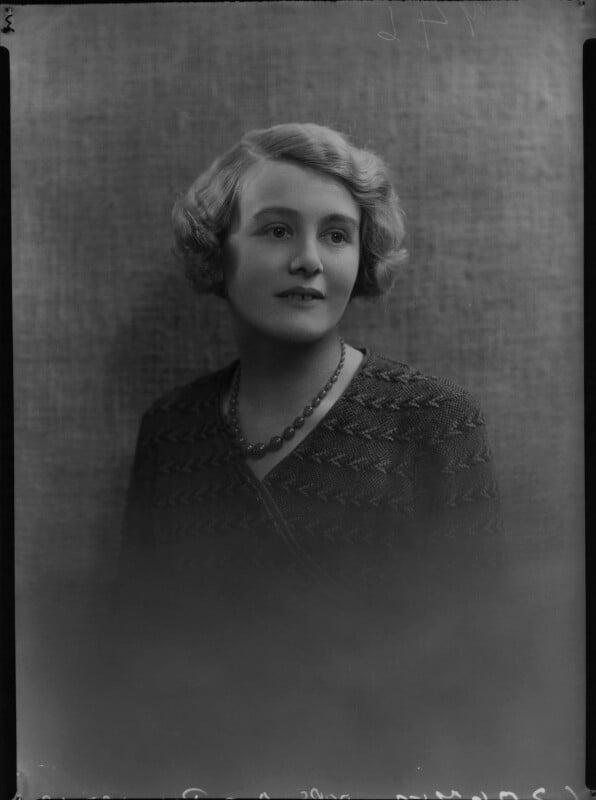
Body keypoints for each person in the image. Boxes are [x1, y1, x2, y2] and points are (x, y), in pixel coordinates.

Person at [103, 123, 505, 797]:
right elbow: (133, 651)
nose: (309, 260)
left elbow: (487, 671)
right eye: (277, 230)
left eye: (337, 235)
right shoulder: (171, 429)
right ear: (218, 249)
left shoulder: (434, 422)